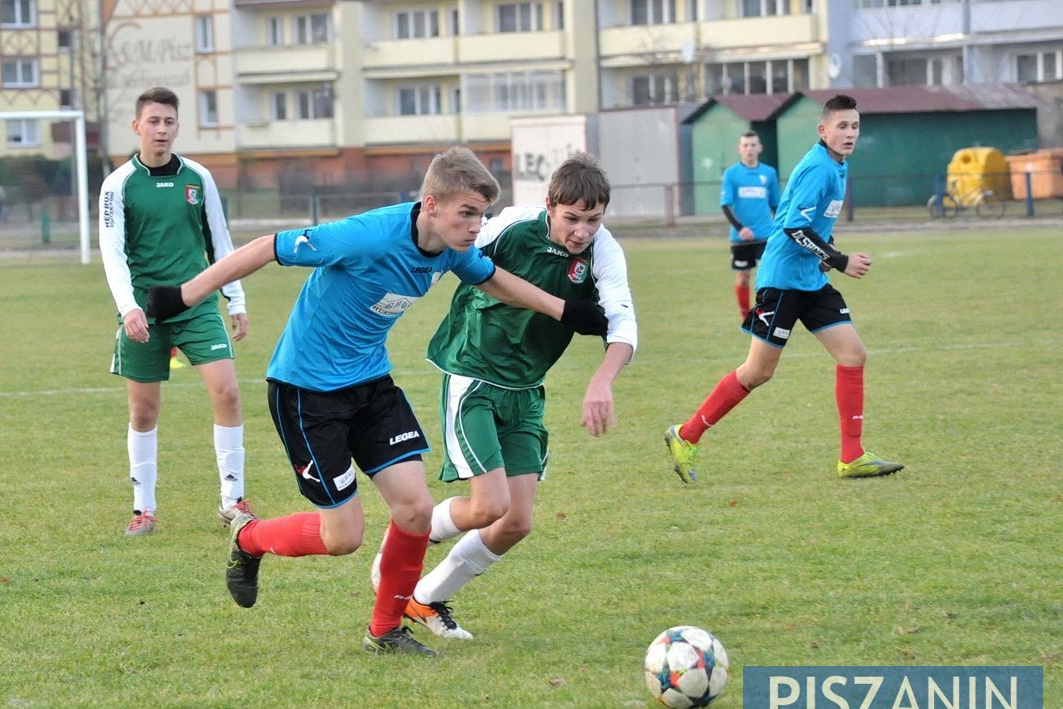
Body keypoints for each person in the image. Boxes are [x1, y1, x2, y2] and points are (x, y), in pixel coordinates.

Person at [146, 146, 609, 656]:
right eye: (467, 214)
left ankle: (385, 631)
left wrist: (565, 311)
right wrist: (185, 294)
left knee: (415, 509)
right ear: (431, 205)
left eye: (480, 215)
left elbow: (494, 279)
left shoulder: (454, 248)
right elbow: (267, 247)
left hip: (370, 384)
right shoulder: (366, 236)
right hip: (306, 390)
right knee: (343, 536)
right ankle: (249, 538)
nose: (478, 226)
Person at [369, 152, 638, 641]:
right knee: (488, 504)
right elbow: (453, 247)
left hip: (526, 391)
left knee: (515, 522)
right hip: (473, 374)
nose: (582, 231)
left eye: (593, 220)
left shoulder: (603, 253)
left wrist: (602, 380)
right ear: (550, 206)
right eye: (572, 219)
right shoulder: (510, 226)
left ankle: (426, 598)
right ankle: (402, 547)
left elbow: (623, 324)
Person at [664, 94, 903, 483]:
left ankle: (852, 455)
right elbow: (792, 227)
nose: (849, 133)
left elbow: (813, 223)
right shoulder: (819, 168)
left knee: (853, 354)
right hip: (781, 282)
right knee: (757, 371)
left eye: (855, 126)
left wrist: (826, 258)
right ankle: (686, 436)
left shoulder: (837, 166)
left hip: (810, 280)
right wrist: (839, 259)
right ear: (822, 130)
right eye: (841, 126)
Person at [98, 86, 255, 538]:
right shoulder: (118, 184)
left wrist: (236, 298)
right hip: (143, 311)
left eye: (168, 121)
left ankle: (233, 502)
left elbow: (220, 242)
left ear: (177, 126)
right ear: (137, 126)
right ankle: (142, 510)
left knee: (226, 392)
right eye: (153, 121)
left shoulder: (198, 178)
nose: (161, 129)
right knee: (143, 411)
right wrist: (128, 308)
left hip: (196, 304)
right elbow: (112, 252)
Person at [720, 131, 780, 319]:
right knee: (743, 278)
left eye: (753, 145)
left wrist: (779, 230)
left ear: (759, 148)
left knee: (767, 277)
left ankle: (765, 313)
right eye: (745, 145)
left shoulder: (769, 173)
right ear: (740, 149)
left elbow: (775, 205)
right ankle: (746, 316)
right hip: (741, 238)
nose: (749, 149)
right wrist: (740, 228)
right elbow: (726, 204)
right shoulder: (731, 174)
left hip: (765, 235)